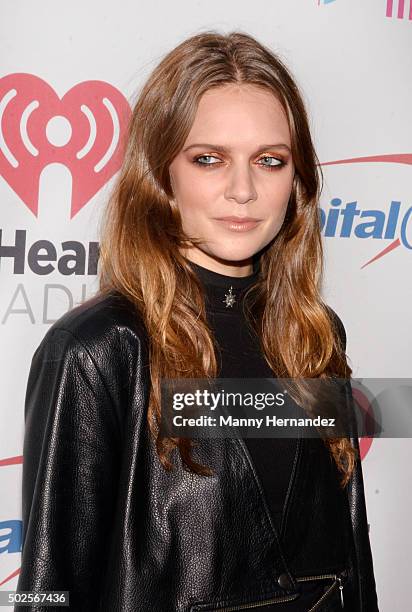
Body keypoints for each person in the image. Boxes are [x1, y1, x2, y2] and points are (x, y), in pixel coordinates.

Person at [16, 31, 379, 611]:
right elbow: (51, 586)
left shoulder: (315, 336)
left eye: (270, 160)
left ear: (298, 180)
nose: (243, 190)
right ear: (161, 175)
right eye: (209, 159)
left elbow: (350, 555)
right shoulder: (99, 350)